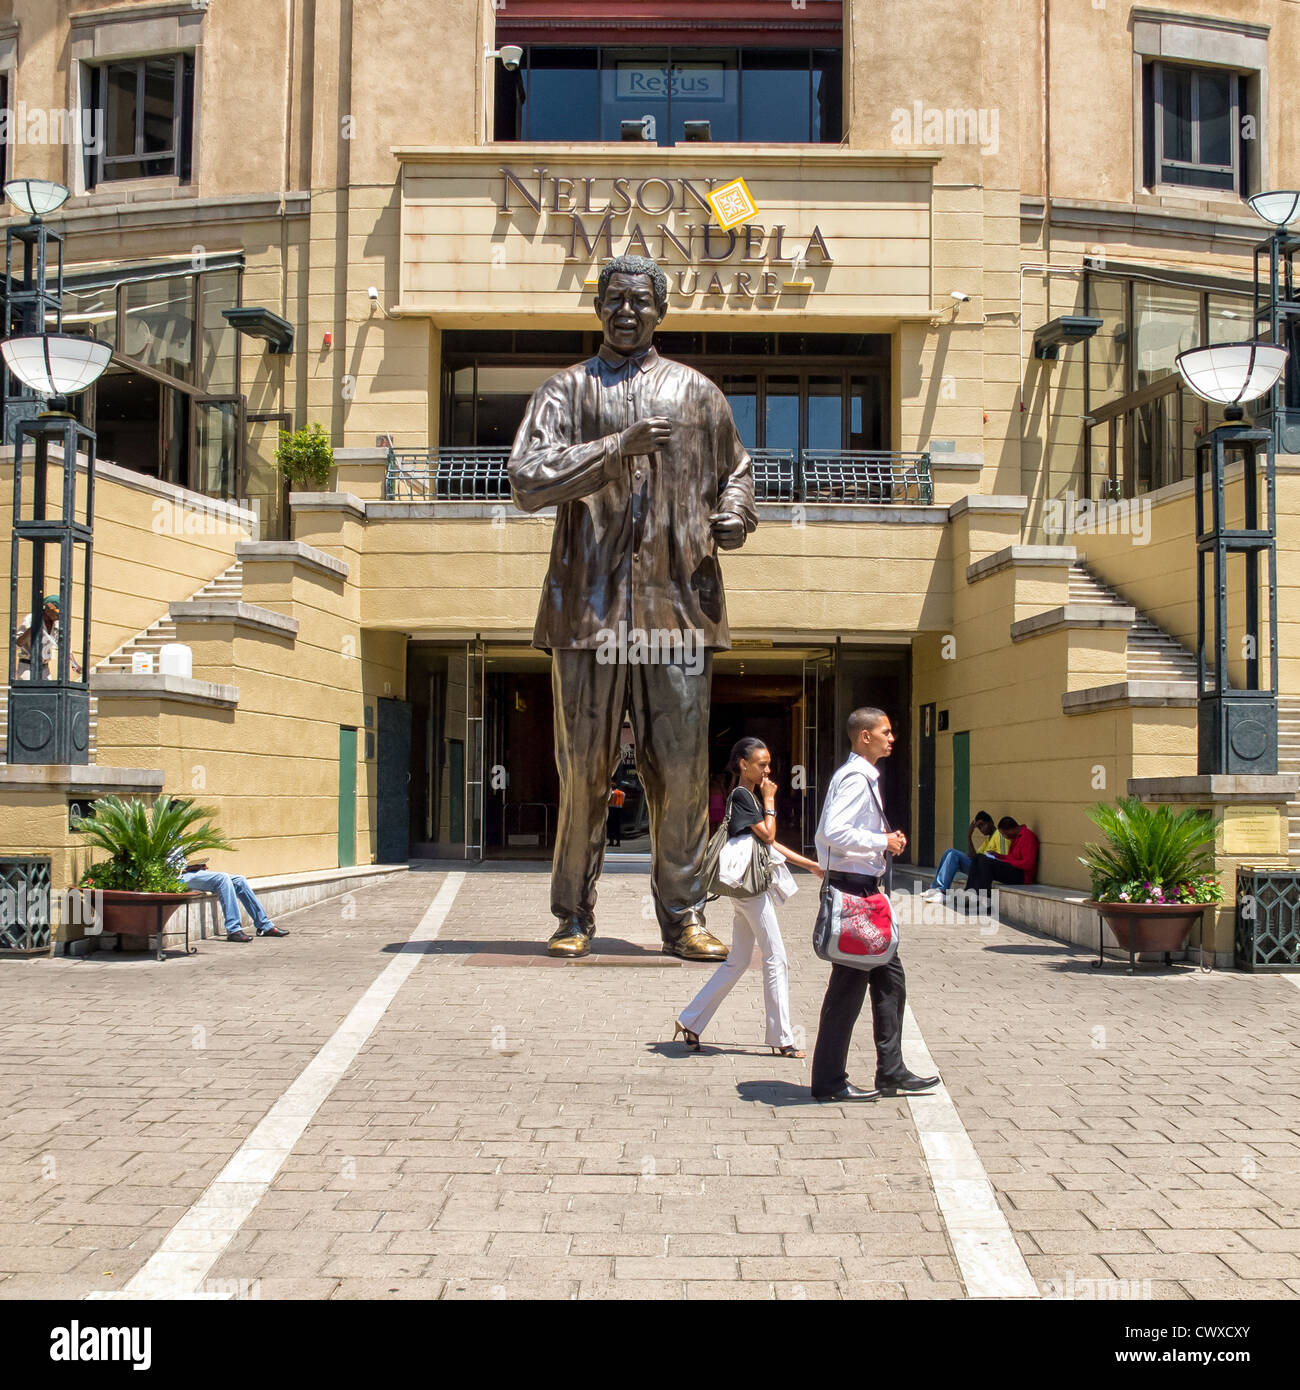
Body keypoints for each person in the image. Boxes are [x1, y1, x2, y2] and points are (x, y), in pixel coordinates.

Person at [508, 253, 757, 960]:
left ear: (659, 311)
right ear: (598, 308)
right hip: (586, 616)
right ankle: (572, 915)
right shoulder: (565, 392)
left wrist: (735, 513)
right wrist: (618, 445)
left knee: (679, 776)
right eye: (613, 300)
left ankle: (682, 917)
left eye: (638, 302)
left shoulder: (697, 394)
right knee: (583, 771)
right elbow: (526, 478)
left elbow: (736, 472)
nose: (625, 312)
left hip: (677, 614)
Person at [810, 706, 940, 1102]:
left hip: (863, 890)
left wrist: (882, 841)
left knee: (890, 980)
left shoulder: (862, 775)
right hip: (854, 894)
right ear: (865, 736)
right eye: (885, 731)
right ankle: (829, 1082)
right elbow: (831, 832)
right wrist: (881, 842)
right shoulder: (854, 777)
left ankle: (891, 1070)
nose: (892, 737)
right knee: (847, 990)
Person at [673, 738, 823, 1058]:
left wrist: (808, 864)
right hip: (751, 892)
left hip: (746, 891)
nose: (767, 769)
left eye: (769, 764)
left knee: (738, 960)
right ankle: (782, 1038)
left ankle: (690, 1021)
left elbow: (768, 845)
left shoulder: (748, 797)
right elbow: (769, 834)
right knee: (776, 956)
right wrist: (770, 801)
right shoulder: (744, 796)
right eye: (761, 764)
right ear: (743, 764)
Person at [167, 848, 289, 942]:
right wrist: (186, 870)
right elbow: (165, 865)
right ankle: (233, 930)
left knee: (239, 880)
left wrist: (192, 867)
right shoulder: (164, 830)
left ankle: (264, 926)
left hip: (187, 872)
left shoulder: (177, 833)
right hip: (178, 878)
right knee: (222, 878)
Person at [921, 810, 1006, 902]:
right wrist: (969, 836)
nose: (981, 829)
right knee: (949, 851)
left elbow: (1002, 859)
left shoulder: (999, 835)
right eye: (979, 827)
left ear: (991, 822)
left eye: (982, 825)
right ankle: (935, 888)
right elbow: (973, 856)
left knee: (953, 854)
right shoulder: (988, 840)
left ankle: (942, 891)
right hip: (978, 868)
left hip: (988, 871)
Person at [965, 816, 1040, 905]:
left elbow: (1028, 864)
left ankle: (985, 901)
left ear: (1011, 830)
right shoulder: (1015, 837)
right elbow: (1012, 858)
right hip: (1014, 869)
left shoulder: (1028, 837)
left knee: (986, 862)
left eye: (1004, 834)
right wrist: (999, 856)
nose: (1004, 837)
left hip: (1023, 876)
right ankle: (968, 894)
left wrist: (1004, 862)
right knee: (978, 857)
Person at [13, 594, 81, 680]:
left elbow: (64, 646)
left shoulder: (57, 624)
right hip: (27, 667)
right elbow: (18, 643)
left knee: (49, 692)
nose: (59, 616)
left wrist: (74, 664)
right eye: (57, 613)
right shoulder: (30, 619)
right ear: (48, 610)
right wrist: (33, 628)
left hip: (44, 668)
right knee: (30, 691)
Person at [606, 779, 625, 847]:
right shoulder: (622, 793)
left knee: (611, 827)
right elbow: (623, 801)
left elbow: (608, 800)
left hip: (611, 810)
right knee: (617, 827)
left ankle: (611, 841)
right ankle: (618, 842)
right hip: (619, 810)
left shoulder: (612, 793)